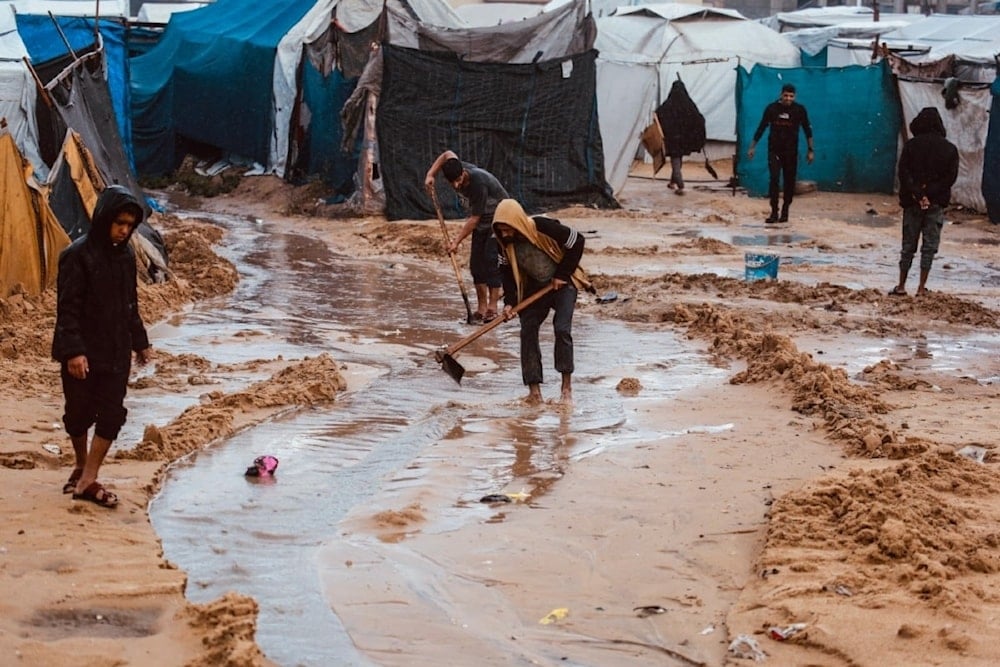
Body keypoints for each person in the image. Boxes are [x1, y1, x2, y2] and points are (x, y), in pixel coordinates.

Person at [51, 185, 153, 508]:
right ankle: (81, 463)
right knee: (78, 413)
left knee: (112, 413)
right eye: (119, 223)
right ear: (105, 218)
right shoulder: (76, 256)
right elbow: (67, 309)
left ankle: (88, 477)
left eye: (130, 225)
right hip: (83, 351)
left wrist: (141, 342)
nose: (124, 231)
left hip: (116, 349)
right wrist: (73, 351)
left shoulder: (125, 256)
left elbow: (129, 304)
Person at [492, 199, 592, 406]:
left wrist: (562, 274)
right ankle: (534, 392)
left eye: (508, 229)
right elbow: (507, 273)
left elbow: (578, 241)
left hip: (563, 283)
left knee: (562, 328)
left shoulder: (543, 227)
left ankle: (566, 387)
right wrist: (510, 302)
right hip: (535, 288)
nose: (505, 235)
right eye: (501, 231)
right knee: (527, 330)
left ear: (517, 223)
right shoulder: (503, 245)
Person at [425, 150, 509, 323]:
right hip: (481, 221)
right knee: (476, 265)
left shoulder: (478, 183)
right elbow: (446, 154)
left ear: (463, 173)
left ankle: (492, 308)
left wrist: (456, 242)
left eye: (458, 181)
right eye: (452, 182)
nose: (456, 185)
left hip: (499, 218)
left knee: (490, 260)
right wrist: (430, 174)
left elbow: (474, 219)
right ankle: (481, 308)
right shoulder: (453, 164)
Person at [890, 107, 959, 297]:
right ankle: (921, 288)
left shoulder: (911, 146)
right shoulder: (949, 149)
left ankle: (901, 285)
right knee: (929, 247)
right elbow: (949, 178)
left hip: (912, 202)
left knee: (908, 246)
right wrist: (929, 194)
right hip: (935, 203)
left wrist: (918, 194)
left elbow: (904, 173)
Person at [747, 83, 814, 223]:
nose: (788, 99)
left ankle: (785, 211)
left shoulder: (799, 110)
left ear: (795, 96)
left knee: (789, 182)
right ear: (781, 95)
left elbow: (807, 130)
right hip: (774, 151)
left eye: (791, 96)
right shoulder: (772, 109)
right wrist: (752, 147)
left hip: (791, 152)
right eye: (786, 96)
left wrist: (810, 150)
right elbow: (761, 127)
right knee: (774, 179)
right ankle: (774, 212)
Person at [655, 78, 706, 195]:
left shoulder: (668, 104)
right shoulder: (688, 104)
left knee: (676, 160)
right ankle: (673, 181)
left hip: (672, 139)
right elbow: (699, 118)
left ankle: (680, 184)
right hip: (683, 139)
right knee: (677, 159)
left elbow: (658, 114)